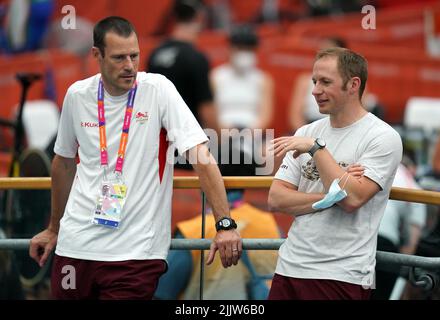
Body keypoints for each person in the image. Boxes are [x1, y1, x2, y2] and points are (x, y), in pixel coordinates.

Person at [28, 16, 241, 300]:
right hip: (74, 249)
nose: (129, 65)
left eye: (134, 55)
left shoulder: (158, 89)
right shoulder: (77, 95)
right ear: (96, 55)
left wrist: (224, 224)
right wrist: (54, 228)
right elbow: (63, 162)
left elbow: (201, 156)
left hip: (135, 255)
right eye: (118, 57)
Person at [267, 47, 403, 300]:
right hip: (289, 265)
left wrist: (317, 149)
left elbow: (351, 200)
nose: (315, 90)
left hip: (341, 273)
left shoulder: (383, 137)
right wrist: (332, 194)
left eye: (325, 82)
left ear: (353, 85)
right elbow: (276, 199)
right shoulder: (306, 130)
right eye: (314, 81)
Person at [146, 0, 216, 130]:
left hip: (160, 135)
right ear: (200, 17)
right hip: (189, 137)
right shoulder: (196, 58)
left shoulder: (155, 54)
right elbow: (207, 111)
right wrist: (224, 137)